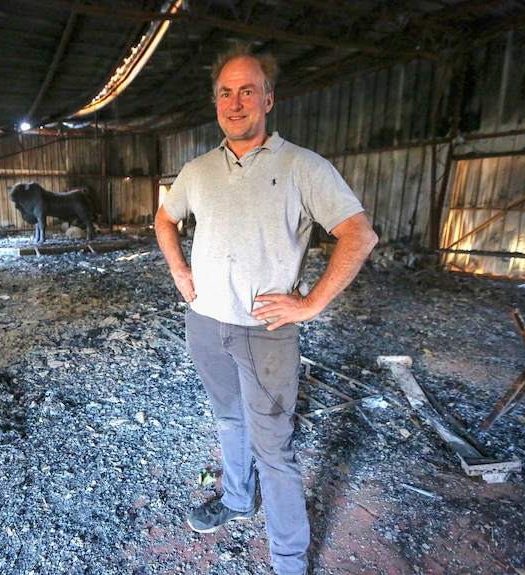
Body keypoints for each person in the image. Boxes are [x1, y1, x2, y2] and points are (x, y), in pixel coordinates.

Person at [154, 42, 378, 575]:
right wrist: (180, 271)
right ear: (216, 103)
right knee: (229, 419)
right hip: (206, 321)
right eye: (226, 93)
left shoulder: (303, 167)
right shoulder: (199, 169)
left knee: (274, 448)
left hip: (266, 331)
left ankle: (288, 558)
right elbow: (165, 220)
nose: (236, 102)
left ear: (268, 100)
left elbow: (359, 234)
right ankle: (235, 499)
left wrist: (309, 304)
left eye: (247, 91)